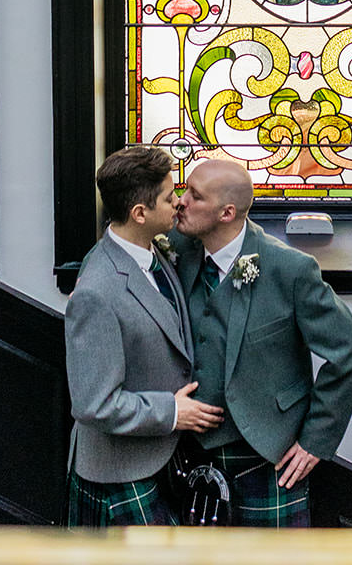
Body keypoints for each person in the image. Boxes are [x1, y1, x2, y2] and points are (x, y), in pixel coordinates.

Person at [171, 156, 352, 527]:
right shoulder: (175, 248)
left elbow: (350, 352)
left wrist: (315, 441)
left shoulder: (289, 269)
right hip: (188, 452)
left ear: (227, 213)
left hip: (267, 456)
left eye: (194, 196)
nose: (180, 201)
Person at [64, 146, 223, 525]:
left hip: (162, 460)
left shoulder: (153, 249)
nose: (179, 204)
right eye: (169, 199)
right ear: (140, 213)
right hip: (120, 471)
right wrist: (172, 412)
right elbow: (93, 405)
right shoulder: (96, 293)